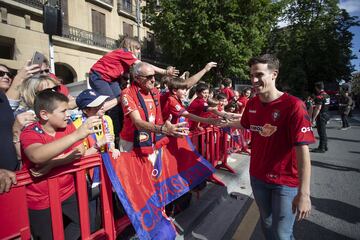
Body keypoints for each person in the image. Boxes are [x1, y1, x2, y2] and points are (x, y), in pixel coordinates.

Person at [227, 54, 314, 239]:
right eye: (251, 75)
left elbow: (303, 153)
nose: (254, 80)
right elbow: (245, 124)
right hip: (257, 177)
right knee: (266, 225)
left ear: (274, 74)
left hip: (285, 182)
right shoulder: (252, 103)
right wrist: (222, 120)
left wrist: (304, 193)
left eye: (259, 75)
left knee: (282, 234)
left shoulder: (294, 106)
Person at [20, 90, 102, 239]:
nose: (68, 115)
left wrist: (52, 164)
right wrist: (76, 135)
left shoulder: (67, 126)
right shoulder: (30, 132)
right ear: (45, 114)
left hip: (68, 191)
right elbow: (36, 155)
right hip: (40, 198)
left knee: (87, 223)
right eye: (63, 111)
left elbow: (79, 150)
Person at [74, 89, 120, 159]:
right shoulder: (76, 126)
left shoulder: (107, 119)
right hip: (89, 164)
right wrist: (98, 145)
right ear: (85, 110)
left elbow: (111, 141)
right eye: (97, 105)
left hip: (105, 160)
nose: (102, 107)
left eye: (102, 103)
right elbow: (80, 156)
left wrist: (113, 149)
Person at [311, 81, 330, 153]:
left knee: (321, 132)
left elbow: (318, 108)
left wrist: (313, 118)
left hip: (321, 115)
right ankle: (325, 146)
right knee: (323, 132)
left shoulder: (319, 96)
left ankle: (321, 148)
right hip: (326, 114)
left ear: (317, 88)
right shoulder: (327, 95)